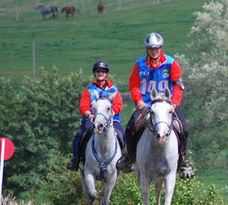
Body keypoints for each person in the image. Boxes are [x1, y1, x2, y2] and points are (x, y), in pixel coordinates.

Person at [117, 32, 195, 179]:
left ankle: (184, 161)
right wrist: (138, 100)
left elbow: (178, 86)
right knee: (130, 128)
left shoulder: (171, 63)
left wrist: (174, 103)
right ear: (147, 50)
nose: (154, 51)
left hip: (168, 104)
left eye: (157, 48)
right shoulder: (139, 64)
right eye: (152, 48)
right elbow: (134, 85)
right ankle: (129, 158)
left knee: (184, 128)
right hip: (146, 104)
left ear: (161, 48)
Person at [67, 61, 126, 171]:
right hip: (92, 118)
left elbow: (118, 105)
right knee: (80, 134)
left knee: (122, 134)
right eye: (98, 71)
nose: (100, 73)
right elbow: (83, 106)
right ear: (94, 73)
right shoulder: (89, 89)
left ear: (106, 73)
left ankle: (125, 160)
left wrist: (113, 113)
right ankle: (76, 159)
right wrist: (89, 114)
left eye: (103, 71)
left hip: (111, 119)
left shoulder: (113, 89)